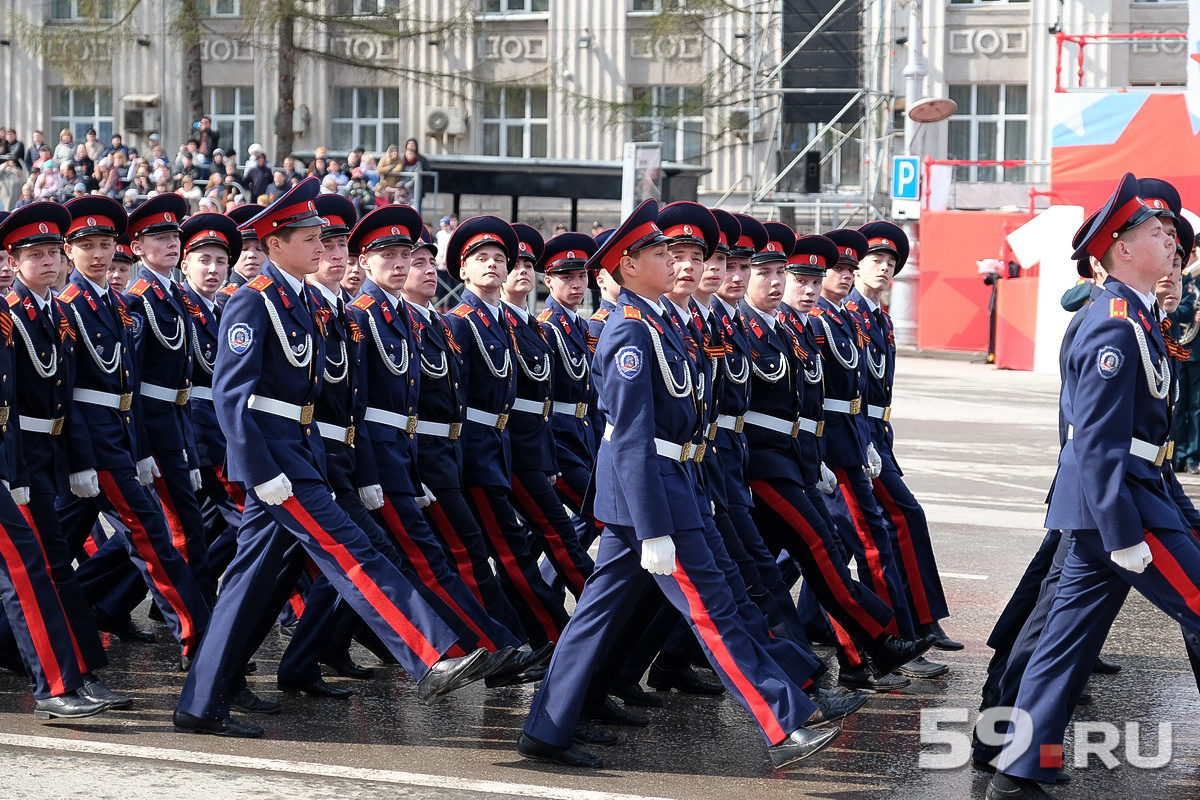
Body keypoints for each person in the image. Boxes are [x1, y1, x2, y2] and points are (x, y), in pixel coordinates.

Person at [519, 199, 842, 771]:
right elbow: (631, 440)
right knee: (711, 606)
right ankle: (783, 719)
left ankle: (547, 727)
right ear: (628, 265)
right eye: (659, 252)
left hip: (677, 484)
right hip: (656, 496)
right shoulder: (630, 334)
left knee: (597, 614)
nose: (673, 260)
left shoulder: (663, 322)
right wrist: (652, 527)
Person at [173, 177, 494, 738]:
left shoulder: (301, 301)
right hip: (278, 460)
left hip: (303, 451)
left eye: (322, 236)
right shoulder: (255, 299)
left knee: (250, 584)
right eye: (308, 238)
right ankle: (429, 655)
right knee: (351, 551)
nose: (322, 246)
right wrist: (259, 469)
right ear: (275, 244)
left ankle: (200, 703)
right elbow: (231, 395)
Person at [984, 173, 1191, 800]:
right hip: (1121, 508)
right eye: (1159, 233)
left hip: (1118, 502)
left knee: (1063, 644)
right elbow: (1096, 442)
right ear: (1122, 247)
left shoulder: (1134, 316)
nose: (1172, 243)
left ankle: (1021, 768)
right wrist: (1125, 532)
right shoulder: (1111, 324)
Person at [55, 195, 212, 661]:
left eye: (106, 244)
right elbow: (70, 392)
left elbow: (130, 385)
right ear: (70, 251)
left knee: (58, 547)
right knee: (151, 538)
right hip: (93, 442)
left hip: (125, 436)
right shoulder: (70, 306)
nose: (101, 254)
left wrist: (142, 448)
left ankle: (13, 637)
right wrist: (83, 458)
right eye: (89, 246)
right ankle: (201, 642)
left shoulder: (117, 303)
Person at [0, 203, 127, 718]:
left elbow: (62, 395)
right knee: (26, 569)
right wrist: (13, 473)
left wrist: (73, 461)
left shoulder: (48, 313)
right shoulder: (11, 316)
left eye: (54, 251)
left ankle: (77, 674)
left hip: (38, 457)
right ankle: (55, 685)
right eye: (37, 254)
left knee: (51, 565)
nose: (50, 262)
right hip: (18, 460)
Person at [445, 217, 570, 648]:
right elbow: (455, 398)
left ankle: (532, 639)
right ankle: (547, 639)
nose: (494, 265)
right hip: (477, 452)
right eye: (482, 259)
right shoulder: (460, 321)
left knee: (510, 549)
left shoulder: (503, 320)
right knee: (509, 551)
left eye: (500, 258)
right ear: (463, 270)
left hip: (503, 447)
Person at [502, 224, 594, 598]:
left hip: (576, 437)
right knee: (585, 523)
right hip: (550, 440)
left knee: (547, 531)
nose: (576, 285)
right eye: (565, 277)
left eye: (581, 276)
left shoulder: (569, 327)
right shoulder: (548, 327)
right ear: (550, 281)